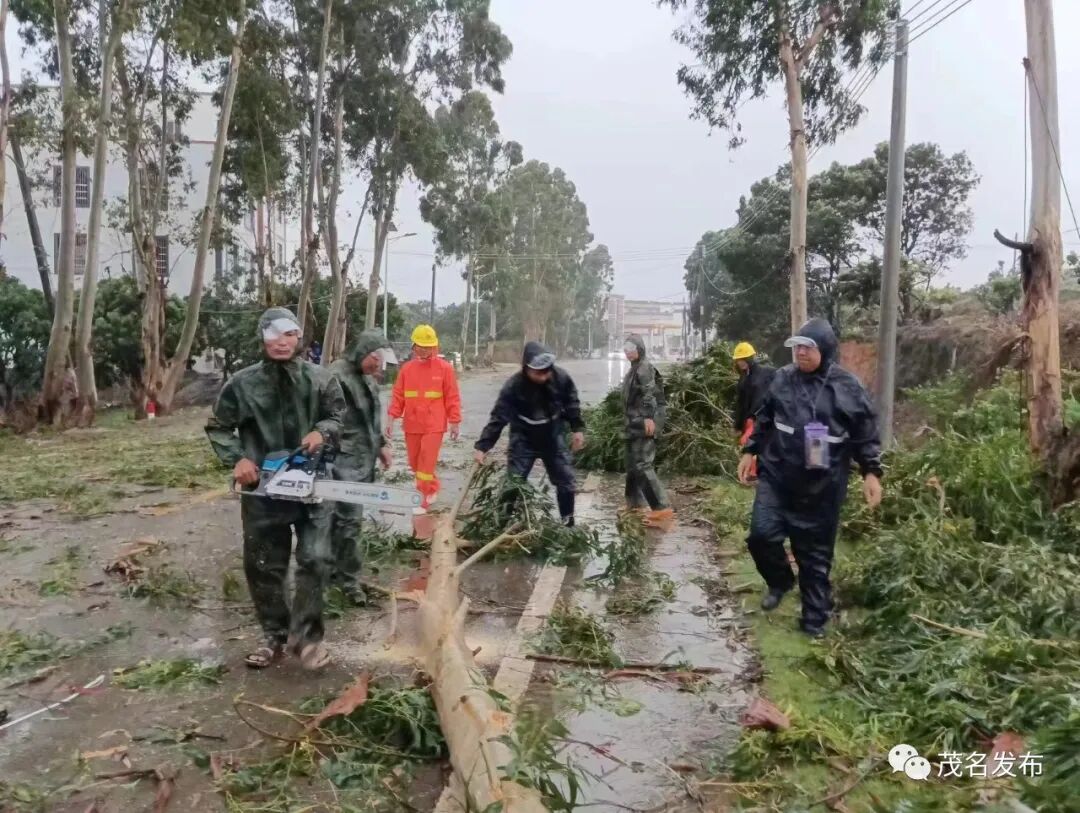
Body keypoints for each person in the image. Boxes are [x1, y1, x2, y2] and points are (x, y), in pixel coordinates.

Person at [206, 307, 346, 670]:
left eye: (289, 334)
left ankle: (308, 639)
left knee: (316, 558)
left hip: (312, 484)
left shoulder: (320, 379)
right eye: (273, 334)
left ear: (299, 337)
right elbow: (219, 426)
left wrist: (322, 431)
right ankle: (275, 636)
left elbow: (336, 417)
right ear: (262, 337)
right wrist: (238, 459)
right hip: (263, 489)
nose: (281, 342)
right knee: (264, 564)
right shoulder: (241, 384)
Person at [738, 317, 883, 637]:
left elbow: (866, 433)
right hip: (778, 476)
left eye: (808, 347)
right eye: (798, 347)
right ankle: (780, 581)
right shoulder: (782, 379)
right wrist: (750, 450)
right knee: (761, 536)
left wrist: (871, 472)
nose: (801, 353)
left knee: (814, 555)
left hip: (822, 486)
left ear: (826, 350)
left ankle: (814, 620)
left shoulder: (847, 387)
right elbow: (765, 419)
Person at [473, 341, 586, 526]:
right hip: (523, 438)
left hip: (552, 435)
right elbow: (498, 417)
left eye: (547, 371)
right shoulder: (513, 386)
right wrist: (483, 446)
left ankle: (568, 524)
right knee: (513, 484)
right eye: (538, 373)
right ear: (526, 368)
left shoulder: (561, 378)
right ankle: (501, 524)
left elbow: (572, 402)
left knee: (566, 481)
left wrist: (577, 428)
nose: (543, 376)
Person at [327, 330, 396, 605]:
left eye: (380, 361)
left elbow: (371, 418)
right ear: (363, 352)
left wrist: (381, 445)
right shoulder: (336, 376)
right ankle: (348, 582)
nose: (377, 366)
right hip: (341, 459)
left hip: (361, 458)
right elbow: (324, 420)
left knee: (345, 520)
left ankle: (336, 573)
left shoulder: (367, 378)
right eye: (374, 359)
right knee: (347, 520)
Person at [386, 324, 462, 510]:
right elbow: (398, 395)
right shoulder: (406, 369)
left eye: (429, 347)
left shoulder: (445, 369)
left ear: (434, 346)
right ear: (414, 345)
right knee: (414, 462)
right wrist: (391, 419)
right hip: (412, 423)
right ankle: (432, 487)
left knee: (426, 462)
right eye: (421, 346)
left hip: (434, 424)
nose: (425, 350)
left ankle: (422, 498)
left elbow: (452, 396)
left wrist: (454, 421)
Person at [622, 334, 674, 524]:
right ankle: (635, 503)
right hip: (634, 422)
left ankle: (662, 507)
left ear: (640, 349)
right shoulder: (634, 368)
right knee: (632, 463)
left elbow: (649, 394)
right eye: (626, 348)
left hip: (646, 421)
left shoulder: (644, 368)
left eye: (632, 348)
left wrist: (648, 417)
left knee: (642, 463)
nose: (628, 352)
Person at [732, 342, 776, 480]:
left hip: (759, 418)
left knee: (750, 441)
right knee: (747, 443)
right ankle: (754, 473)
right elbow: (740, 403)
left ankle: (753, 474)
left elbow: (763, 398)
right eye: (738, 360)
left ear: (751, 358)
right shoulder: (743, 378)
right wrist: (737, 425)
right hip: (748, 419)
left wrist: (756, 417)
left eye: (743, 359)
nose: (741, 362)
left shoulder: (766, 373)